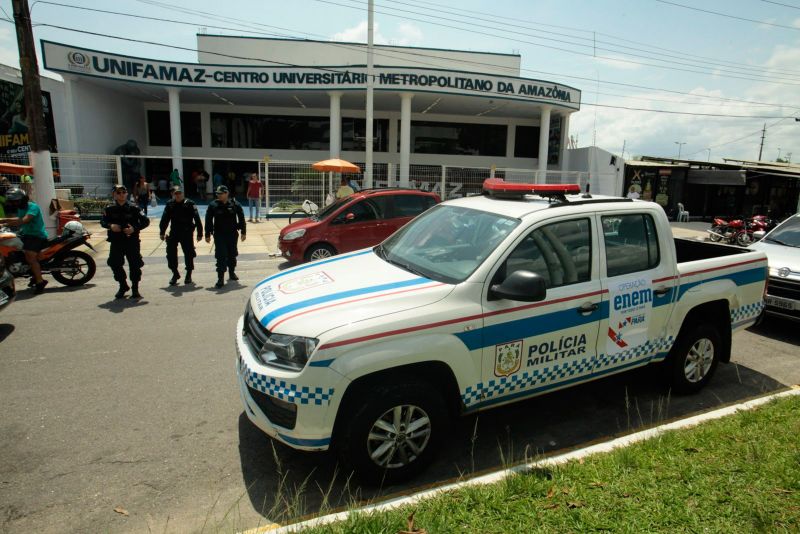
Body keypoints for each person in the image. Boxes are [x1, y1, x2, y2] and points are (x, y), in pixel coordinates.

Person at [101, 184, 150, 299]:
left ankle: (135, 288)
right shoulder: (109, 208)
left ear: (127, 194)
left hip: (131, 241)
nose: (121, 195)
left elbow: (145, 221)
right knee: (114, 263)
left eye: (123, 192)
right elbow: (103, 221)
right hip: (116, 241)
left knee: (135, 265)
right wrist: (110, 225)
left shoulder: (134, 208)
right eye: (118, 193)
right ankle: (123, 285)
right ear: (114, 194)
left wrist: (134, 228)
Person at [0, 188, 48, 294]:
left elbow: (25, 220)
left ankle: (40, 282)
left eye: (16, 201)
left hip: (37, 236)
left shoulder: (33, 207)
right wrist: (3, 220)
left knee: (30, 257)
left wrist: (5, 223)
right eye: (13, 201)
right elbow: (17, 218)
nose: (15, 203)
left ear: (23, 199)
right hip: (26, 235)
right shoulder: (21, 208)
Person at [159, 186, 203, 286]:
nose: (178, 195)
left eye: (179, 193)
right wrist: (162, 231)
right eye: (176, 194)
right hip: (174, 232)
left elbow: (197, 218)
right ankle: (175, 273)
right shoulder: (170, 204)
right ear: (173, 195)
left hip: (186, 233)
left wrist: (200, 233)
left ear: (183, 194)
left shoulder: (190, 204)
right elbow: (165, 219)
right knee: (170, 253)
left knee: (189, 253)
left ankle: (188, 273)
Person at [205, 185, 246, 289]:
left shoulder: (235, 204)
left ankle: (232, 273)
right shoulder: (213, 205)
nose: (219, 195)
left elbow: (241, 218)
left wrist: (243, 232)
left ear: (226, 193)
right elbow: (208, 220)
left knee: (232, 254)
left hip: (232, 234)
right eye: (217, 194)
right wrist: (207, 234)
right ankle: (220, 278)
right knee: (221, 255)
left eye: (221, 194)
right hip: (219, 235)